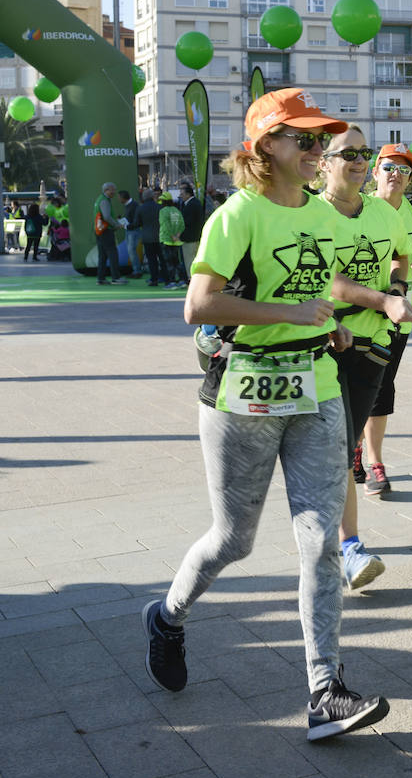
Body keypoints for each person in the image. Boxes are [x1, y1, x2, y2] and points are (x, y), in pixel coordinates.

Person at [142, 87, 397, 741]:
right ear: (266, 146)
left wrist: (333, 328)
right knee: (235, 539)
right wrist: (288, 317)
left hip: (316, 388)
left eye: (322, 141)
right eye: (306, 140)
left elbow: (313, 286)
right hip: (244, 396)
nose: (319, 151)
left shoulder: (318, 213)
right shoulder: (238, 215)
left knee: (319, 541)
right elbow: (198, 306)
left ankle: (324, 689)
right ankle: (167, 616)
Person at [318, 127, 412, 590]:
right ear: (323, 162)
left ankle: (339, 543)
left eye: (363, 152)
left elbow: (400, 257)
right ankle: (348, 547)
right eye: (347, 153)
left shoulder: (382, 211)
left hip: (374, 346)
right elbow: (329, 281)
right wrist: (382, 300)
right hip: (322, 343)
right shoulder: (312, 214)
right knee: (335, 450)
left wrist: (397, 290)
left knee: (343, 446)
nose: (358, 160)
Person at [359, 143, 412, 497]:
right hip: (351, 316)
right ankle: (353, 446)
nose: (396, 175)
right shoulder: (354, 208)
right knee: (350, 389)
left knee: (379, 387)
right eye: (389, 167)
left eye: (404, 170)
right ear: (375, 172)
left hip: (397, 318)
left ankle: (375, 462)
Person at [93, 183, 126, 285]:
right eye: (112, 190)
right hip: (106, 231)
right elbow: (107, 217)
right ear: (106, 190)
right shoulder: (104, 200)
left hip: (99, 230)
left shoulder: (100, 199)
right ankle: (115, 278)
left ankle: (101, 278)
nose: (114, 192)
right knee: (113, 254)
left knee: (102, 255)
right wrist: (116, 225)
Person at [158, 190, 189, 289]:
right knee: (177, 262)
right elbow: (182, 225)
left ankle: (171, 282)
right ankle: (182, 281)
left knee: (168, 262)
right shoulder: (177, 210)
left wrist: (172, 236)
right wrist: (177, 236)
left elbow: (165, 225)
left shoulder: (163, 211)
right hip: (177, 241)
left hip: (167, 239)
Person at [136, 188, 164, 287]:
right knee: (162, 258)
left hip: (147, 237)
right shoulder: (160, 207)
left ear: (143, 198)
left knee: (151, 259)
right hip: (160, 236)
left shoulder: (140, 208)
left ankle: (154, 279)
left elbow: (137, 223)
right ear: (152, 196)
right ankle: (166, 278)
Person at [118, 190, 144, 278]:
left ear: (123, 198)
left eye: (119, 197)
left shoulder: (134, 205)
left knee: (131, 251)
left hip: (133, 231)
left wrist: (127, 225)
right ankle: (136, 270)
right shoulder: (131, 205)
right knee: (131, 251)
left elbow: (137, 221)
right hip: (130, 230)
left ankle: (137, 271)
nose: (118, 199)